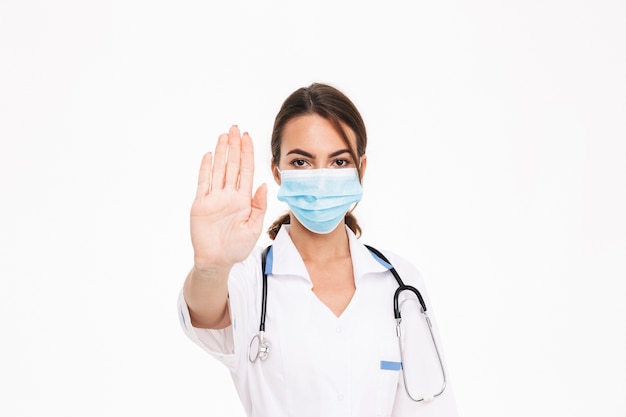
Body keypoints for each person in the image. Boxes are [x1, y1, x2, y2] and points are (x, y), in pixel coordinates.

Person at [178, 82, 458, 417]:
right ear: (277, 171)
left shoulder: (400, 283)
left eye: (339, 162)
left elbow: (428, 408)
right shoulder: (249, 278)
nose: (321, 178)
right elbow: (206, 314)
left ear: (361, 170)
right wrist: (211, 266)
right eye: (301, 162)